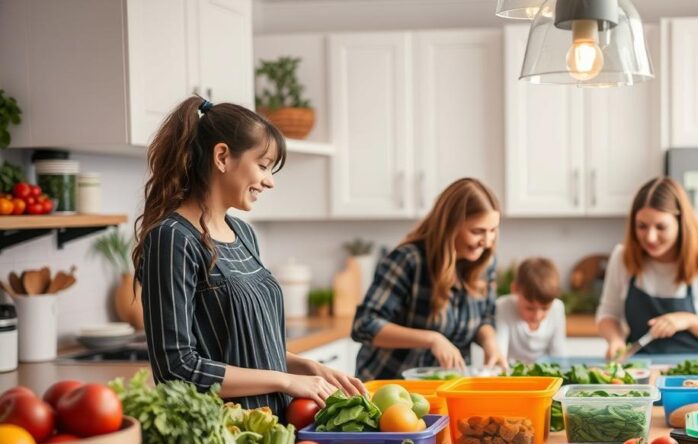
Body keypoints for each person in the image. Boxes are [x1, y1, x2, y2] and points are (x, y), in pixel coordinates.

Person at [134, 96, 366, 418]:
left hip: (272, 434)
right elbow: (177, 369)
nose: (269, 181)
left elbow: (248, 347)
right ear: (222, 157)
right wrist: (285, 381)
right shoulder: (173, 238)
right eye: (263, 165)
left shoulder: (244, 233)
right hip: (220, 441)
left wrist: (305, 366)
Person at [352, 178, 505, 380]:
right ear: (451, 225)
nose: (486, 242)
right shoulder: (409, 260)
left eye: (493, 230)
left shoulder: (485, 263)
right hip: (391, 385)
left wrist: (489, 342)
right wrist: (431, 339)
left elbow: (485, 316)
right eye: (477, 231)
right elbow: (364, 325)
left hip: (444, 389)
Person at [596, 177, 698, 360]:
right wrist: (615, 341)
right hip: (639, 371)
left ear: (681, 224)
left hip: (696, 375)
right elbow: (607, 314)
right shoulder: (622, 257)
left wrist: (690, 321)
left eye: (661, 227)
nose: (650, 237)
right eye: (642, 226)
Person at [495, 257, 567, 364]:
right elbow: (499, 355)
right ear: (515, 290)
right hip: (510, 375)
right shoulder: (503, 306)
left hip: (544, 376)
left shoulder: (557, 308)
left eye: (545, 308)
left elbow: (558, 357)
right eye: (530, 308)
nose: (537, 316)